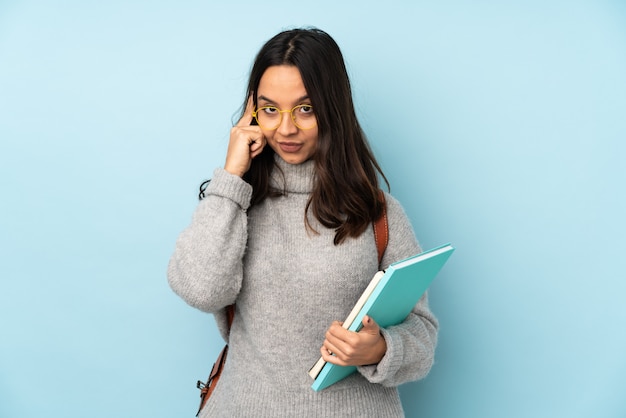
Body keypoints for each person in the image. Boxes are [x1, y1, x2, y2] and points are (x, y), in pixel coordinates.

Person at [167, 27, 438, 417]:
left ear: (332, 109)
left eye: (305, 108)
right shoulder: (234, 203)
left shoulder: (378, 213)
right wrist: (231, 176)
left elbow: (422, 336)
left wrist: (380, 349)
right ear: (252, 112)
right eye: (270, 109)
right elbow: (201, 290)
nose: (286, 128)